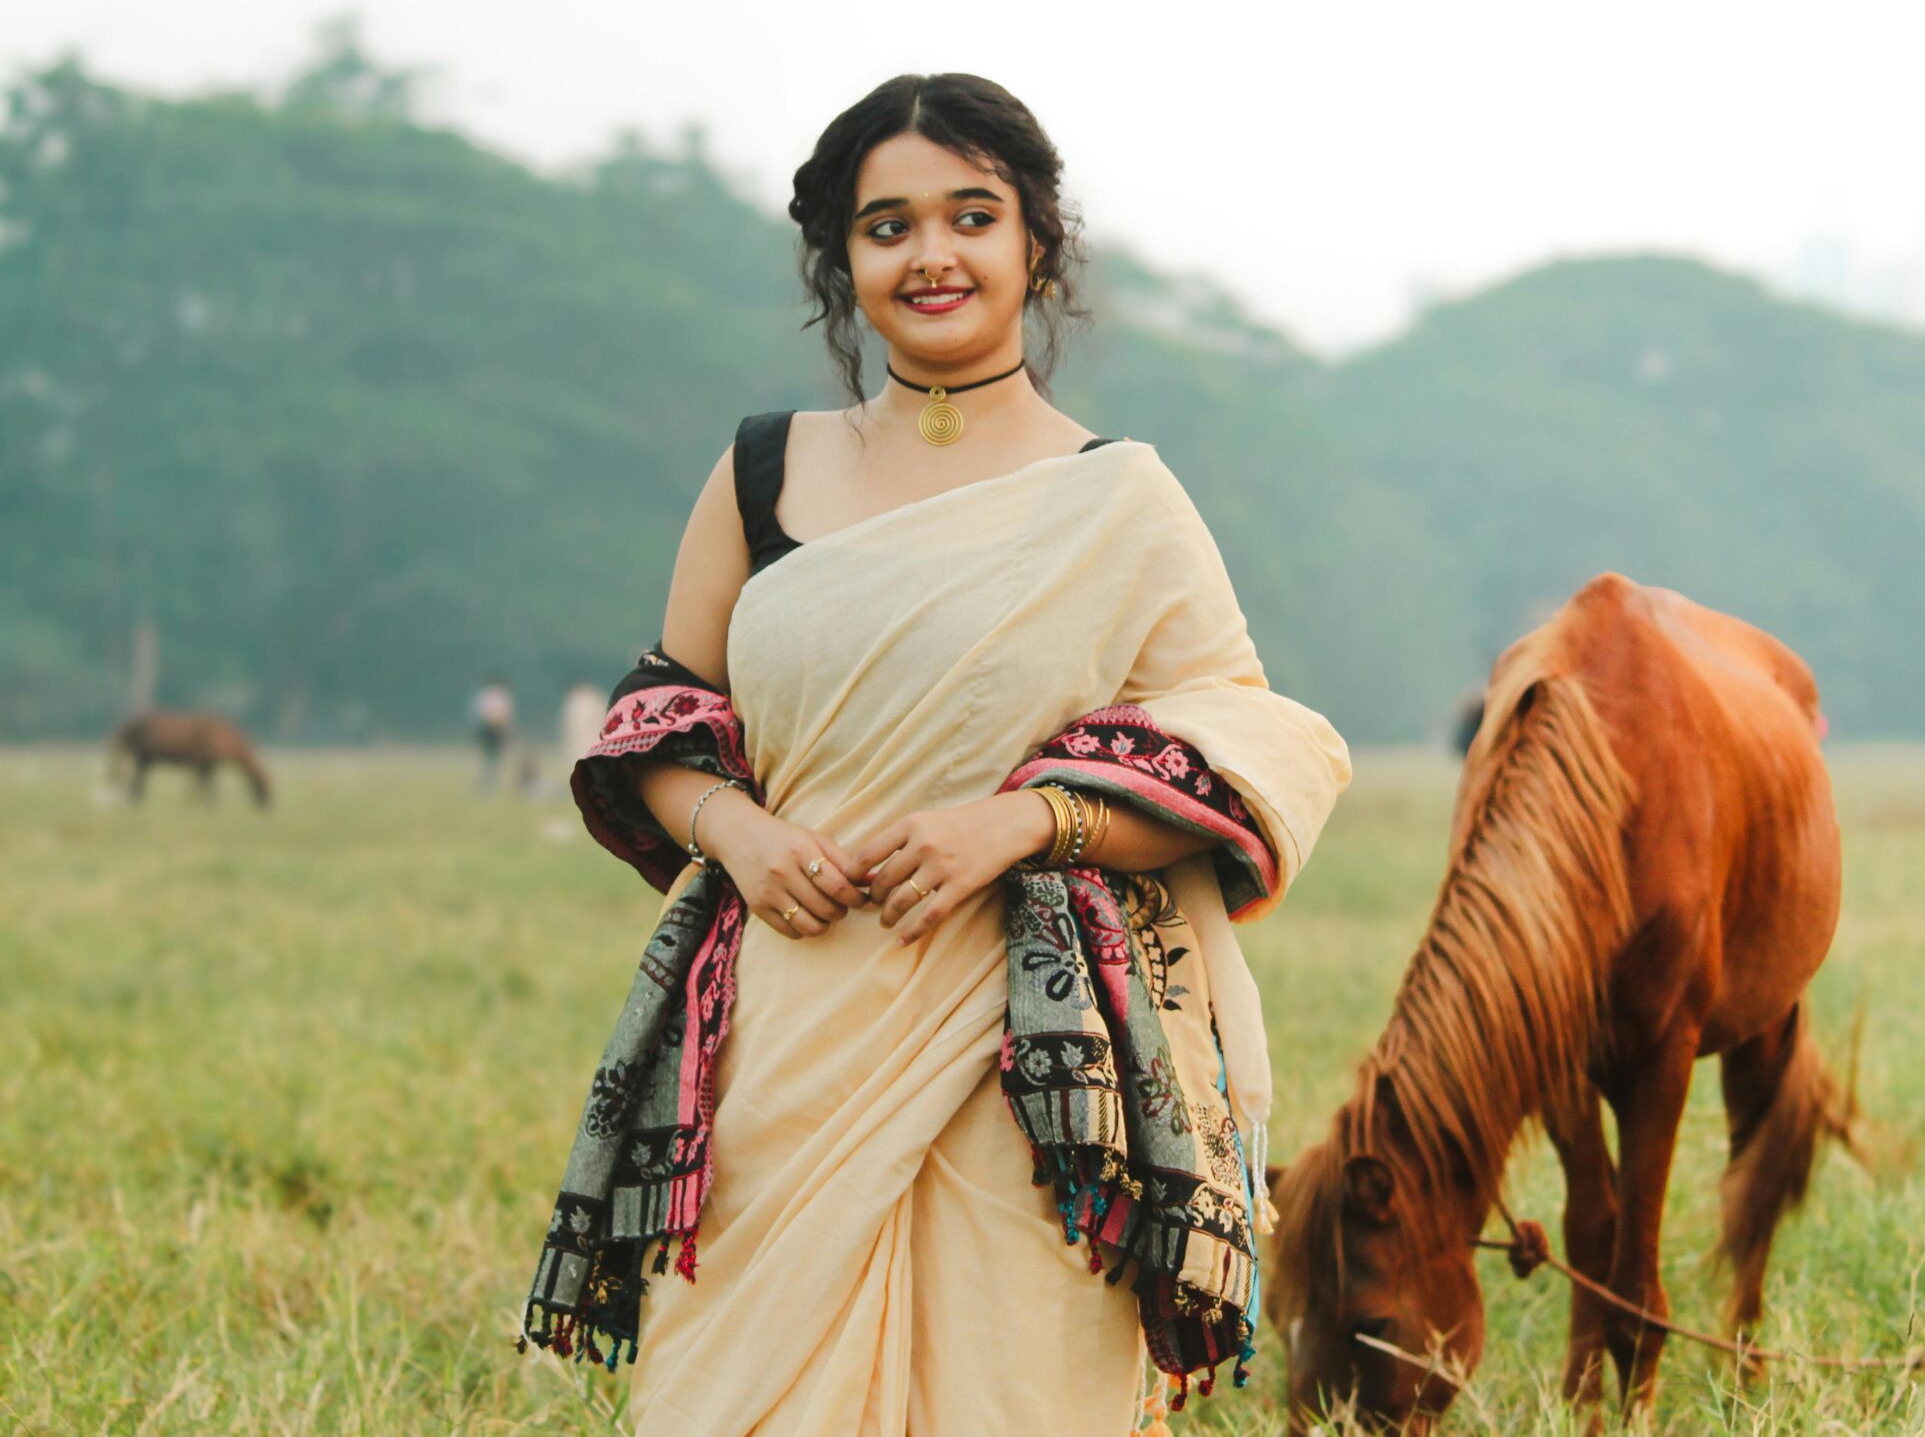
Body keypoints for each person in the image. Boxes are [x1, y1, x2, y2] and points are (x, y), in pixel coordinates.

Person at [520, 73, 1352, 1437]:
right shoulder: (761, 470)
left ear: (1037, 245)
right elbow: (660, 717)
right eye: (887, 225)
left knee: (1007, 1386)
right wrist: (737, 832)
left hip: (1024, 1049)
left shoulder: (1120, 500)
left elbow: (1237, 751)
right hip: (786, 1023)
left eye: (973, 216)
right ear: (840, 260)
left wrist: (1024, 823)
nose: (932, 255)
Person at [471, 674, 514, 791]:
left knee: (495, 757)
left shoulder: (489, 695)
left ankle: (491, 781)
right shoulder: (495, 696)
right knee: (489, 756)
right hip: (490, 729)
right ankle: (488, 781)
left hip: (496, 729)